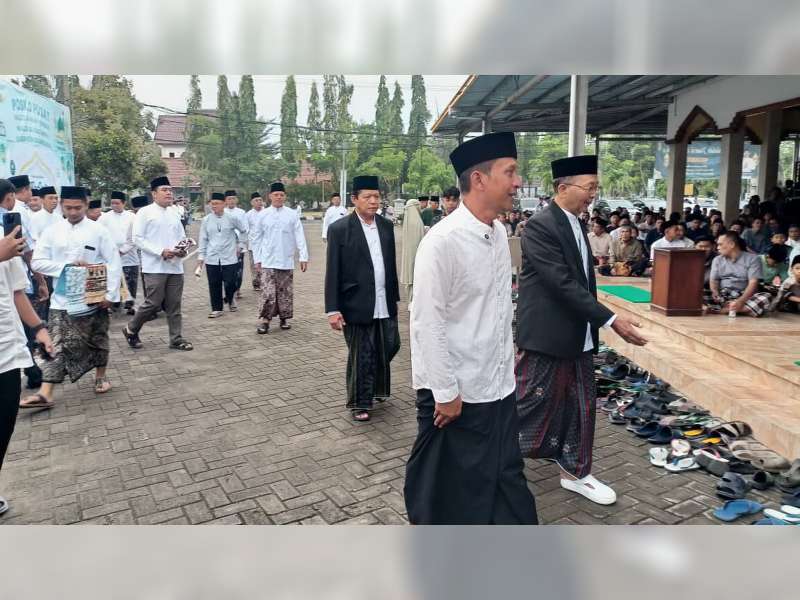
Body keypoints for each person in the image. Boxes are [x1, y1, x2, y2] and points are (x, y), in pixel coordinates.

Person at [404, 131, 538, 525]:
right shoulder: (442, 242)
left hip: (498, 389)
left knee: (504, 482)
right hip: (457, 399)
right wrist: (445, 393)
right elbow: (426, 323)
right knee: (451, 497)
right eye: (510, 172)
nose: (518, 182)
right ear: (479, 179)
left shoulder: (497, 233)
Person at [515, 154, 647, 506]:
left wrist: (600, 318)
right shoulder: (541, 226)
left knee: (581, 406)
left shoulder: (577, 223)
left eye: (595, 188)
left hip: (578, 335)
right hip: (547, 336)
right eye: (589, 187)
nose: (593, 194)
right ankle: (488, 456)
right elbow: (561, 283)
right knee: (529, 403)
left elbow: (582, 284)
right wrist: (611, 319)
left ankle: (575, 473)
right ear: (563, 188)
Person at [21, 185, 121, 409]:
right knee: (55, 342)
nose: (73, 212)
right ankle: (46, 392)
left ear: (86, 205)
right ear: (61, 207)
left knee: (97, 338)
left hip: (93, 297)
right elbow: (37, 262)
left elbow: (113, 262)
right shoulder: (52, 231)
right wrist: (66, 266)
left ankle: (100, 376)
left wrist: (111, 294)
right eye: (68, 208)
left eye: (78, 207)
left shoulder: (99, 231)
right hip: (61, 299)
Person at [324, 175, 400, 423]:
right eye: (367, 197)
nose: (373, 201)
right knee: (362, 354)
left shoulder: (386, 226)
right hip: (355, 301)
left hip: (384, 300)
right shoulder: (339, 229)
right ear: (354, 199)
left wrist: (394, 297)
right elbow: (332, 271)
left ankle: (376, 387)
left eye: (376, 196)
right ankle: (359, 402)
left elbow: (389, 265)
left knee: (390, 344)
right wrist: (332, 309)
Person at [0, 208, 54, 517]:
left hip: (7, 353)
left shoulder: (5, 239)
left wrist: (39, 329)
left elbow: (17, 291)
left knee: (3, 427)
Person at [122, 176, 194, 351]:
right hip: (154, 266)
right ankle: (131, 328)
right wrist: (160, 251)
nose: (169, 193)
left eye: (170, 190)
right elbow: (137, 239)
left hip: (175, 266)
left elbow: (181, 237)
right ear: (154, 194)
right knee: (153, 303)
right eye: (164, 190)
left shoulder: (174, 213)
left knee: (174, 304)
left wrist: (183, 250)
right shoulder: (145, 212)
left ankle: (176, 339)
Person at [252, 182, 308, 335]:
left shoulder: (292, 214)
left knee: (285, 292)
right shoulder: (263, 215)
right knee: (268, 292)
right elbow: (256, 238)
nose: (278, 197)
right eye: (276, 195)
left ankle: (284, 319)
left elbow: (299, 236)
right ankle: (265, 321)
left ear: (285, 197)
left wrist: (303, 256)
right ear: (270, 196)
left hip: (286, 259)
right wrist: (257, 259)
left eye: (281, 195)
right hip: (267, 260)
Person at [198, 192, 249, 317]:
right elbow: (203, 238)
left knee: (231, 282)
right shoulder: (206, 220)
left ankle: (230, 298)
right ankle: (217, 308)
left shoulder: (232, 218)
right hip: (212, 256)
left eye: (217, 203)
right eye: (212, 204)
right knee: (214, 283)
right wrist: (201, 256)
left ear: (224, 204)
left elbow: (243, 231)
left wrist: (240, 246)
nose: (214, 206)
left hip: (229, 255)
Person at [709, 231, 772, 317]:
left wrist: (741, 301)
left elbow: (753, 283)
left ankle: (725, 310)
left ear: (732, 244)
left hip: (744, 295)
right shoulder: (717, 260)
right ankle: (744, 310)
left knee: (766, 297)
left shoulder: (753, 259)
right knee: (701, 294)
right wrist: (715, 292)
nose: (717, 248)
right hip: (723, 295)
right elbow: (714, 280)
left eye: (720, 244)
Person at [99, 191, 138, 315]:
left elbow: (134, 237)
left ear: (124, 203)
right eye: (112, 203)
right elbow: (99, 235)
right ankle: (114, 304)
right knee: (114, 281)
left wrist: (122, 250)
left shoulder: (132, 217)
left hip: (129, 256)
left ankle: (130, 305)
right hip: (110, 256)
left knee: (130, 281)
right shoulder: (104, 217)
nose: (114, 205)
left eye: (117, 203)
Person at [399, 198, 425, 303]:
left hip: (409, 255)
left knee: (411, 277)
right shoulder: (418, 222)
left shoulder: (408, 219)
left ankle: (411, 301)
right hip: (416, 255)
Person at [223, 190, 247, 300]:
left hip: (239, 246)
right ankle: (228, 290)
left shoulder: (241, 212)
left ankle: (237, 289)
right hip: (226, 246)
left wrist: (240, 245)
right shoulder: (222, 212)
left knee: (238, 269)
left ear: (236, 200)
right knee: (227, 269)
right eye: (229, 199)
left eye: (233, 198)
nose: (231, 201)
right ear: (225, 201)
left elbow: (245, 229)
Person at [244, 192, 265, 290]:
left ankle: (265, 281)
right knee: (254, 264)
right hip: (253, 244)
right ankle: (256, 283)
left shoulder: (267, 212)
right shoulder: (248, 215)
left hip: (266, 244)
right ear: (252, 203)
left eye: (260, 200)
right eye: (256, 200)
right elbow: (246, 229)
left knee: (266, 264)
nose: (259, 202)